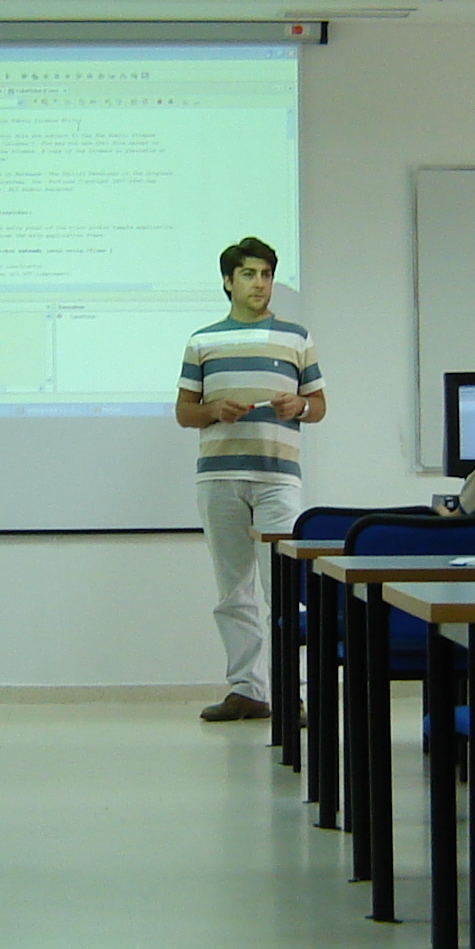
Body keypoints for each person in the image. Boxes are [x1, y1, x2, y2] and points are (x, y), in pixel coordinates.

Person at [176, 236, 326, 721]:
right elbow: (184, 413)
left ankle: (290, 694)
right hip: (219, 478)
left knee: (284, 588)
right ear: (227, 281)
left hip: (278, 478)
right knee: (233, 590)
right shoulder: (202, 340)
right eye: (248, 274)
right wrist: (214, 409)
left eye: (265, 274)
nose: (260, 284)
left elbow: (319, 406)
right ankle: (247, 690)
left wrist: (298, 405)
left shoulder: (296, 337)